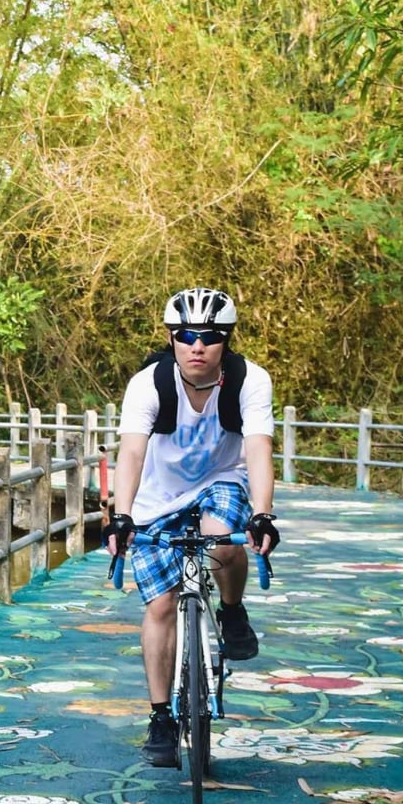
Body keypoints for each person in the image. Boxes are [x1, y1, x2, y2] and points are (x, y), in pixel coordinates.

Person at [102, 287, 281, 767]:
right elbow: (131, 453)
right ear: (171, 338)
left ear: (226, 340)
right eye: (185, 335)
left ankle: (232, 610)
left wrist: (263, 513)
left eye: (209, 335)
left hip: (221, 479)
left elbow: (259, 447)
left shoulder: (249, 381)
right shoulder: (148, 384)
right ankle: (161, 716)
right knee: (161, 604)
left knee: (224, 543)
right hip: (156, 495)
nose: (197, 345)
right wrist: (121, 516)